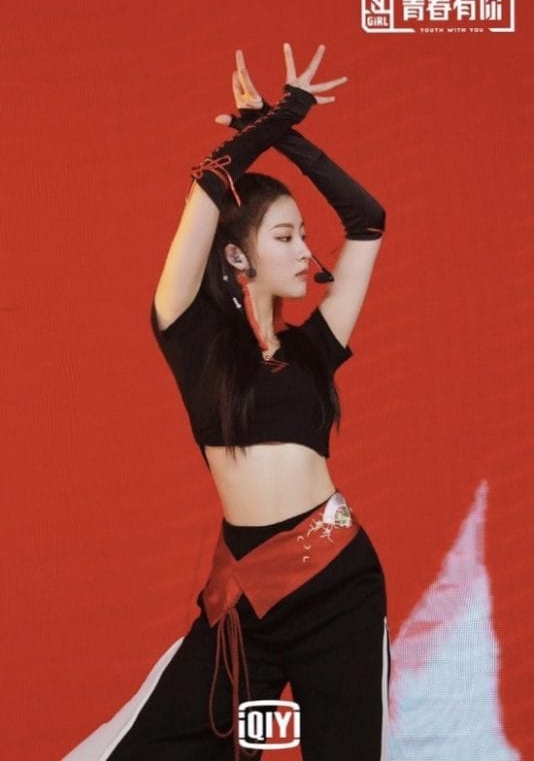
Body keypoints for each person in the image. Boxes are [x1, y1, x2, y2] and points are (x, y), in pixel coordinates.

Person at [64, 42, 390, 761]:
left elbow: (367, 218)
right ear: (238, 256)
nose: (305, 252)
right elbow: (209, 189)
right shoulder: (189, 334)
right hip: (244, 602)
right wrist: (274, 119)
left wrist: (283, 133)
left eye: (304, 236)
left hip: (339, 586)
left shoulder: (316, 346)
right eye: (286, 236)